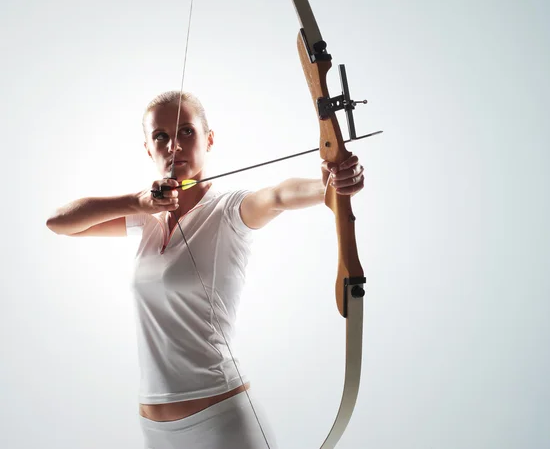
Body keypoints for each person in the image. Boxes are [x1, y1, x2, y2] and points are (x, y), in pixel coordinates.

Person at [46, 90, 365, 449]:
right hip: (156, 432)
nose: (174, 146)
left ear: (209, 139)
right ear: (148, 149)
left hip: (223, 423)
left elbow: (276, 196)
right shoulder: (145, 219)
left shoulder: (228, 211)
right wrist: (137, 202)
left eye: (186, 132)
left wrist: (327, 186)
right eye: (161, 136)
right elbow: (59, 221)